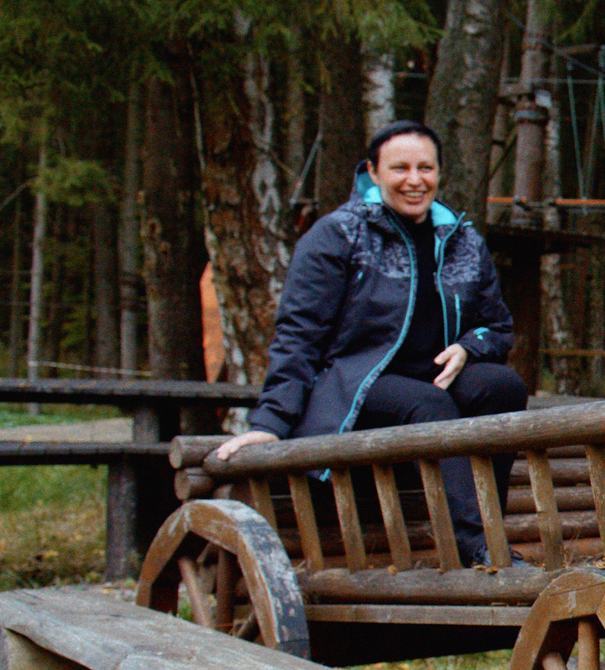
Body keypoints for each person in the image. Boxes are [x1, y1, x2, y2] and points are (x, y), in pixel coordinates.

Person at [214, 120, 527, 567]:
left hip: (432, 379)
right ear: (373, 173)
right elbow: (298, 334)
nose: (415, 180)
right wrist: (270, 423)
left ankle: (486, 525)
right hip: (352, 385)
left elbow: (496, 326)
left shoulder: (461, 238)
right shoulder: (339, 234)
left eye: (426, 168)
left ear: (439, 173)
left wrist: (467, 348)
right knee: (429, 405)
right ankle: (476, 548)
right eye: (400, 168)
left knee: (503, 386)